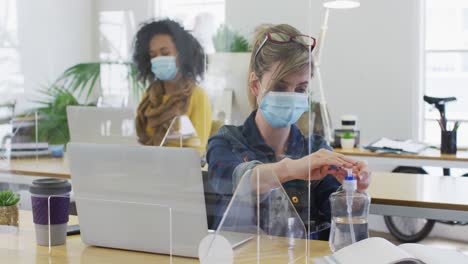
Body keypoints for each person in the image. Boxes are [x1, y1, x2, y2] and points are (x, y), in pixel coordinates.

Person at [206, 24, 370, 239]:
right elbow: (236, 183)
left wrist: (355, 191)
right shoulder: (226, 142)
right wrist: (291, 169)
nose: (291, 96)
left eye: (300, 89)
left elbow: (341, 223)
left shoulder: (316, 148)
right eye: (280, 87)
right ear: (255, 85)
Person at [133, 19, 212, 153]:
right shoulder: (149, 96)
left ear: (181, 55)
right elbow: (139, 141)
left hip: (179, 171)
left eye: (165, 53)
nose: (158, 59)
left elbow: (196, 153)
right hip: (145, 166)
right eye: (153, 55)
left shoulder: (197, 96)